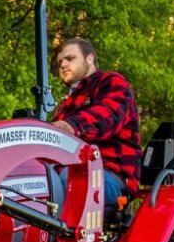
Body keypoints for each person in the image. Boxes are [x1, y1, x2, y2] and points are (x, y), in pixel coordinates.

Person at [50, 37, 140, 205]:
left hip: (108, 174)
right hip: (68, 171)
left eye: (70, 58)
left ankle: (60, 230)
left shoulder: (113, 83)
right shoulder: (66, 104)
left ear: (89, 59)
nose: (63, 64)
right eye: (60, 61)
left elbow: (107, 115)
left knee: (72, 181)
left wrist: (71, 126)